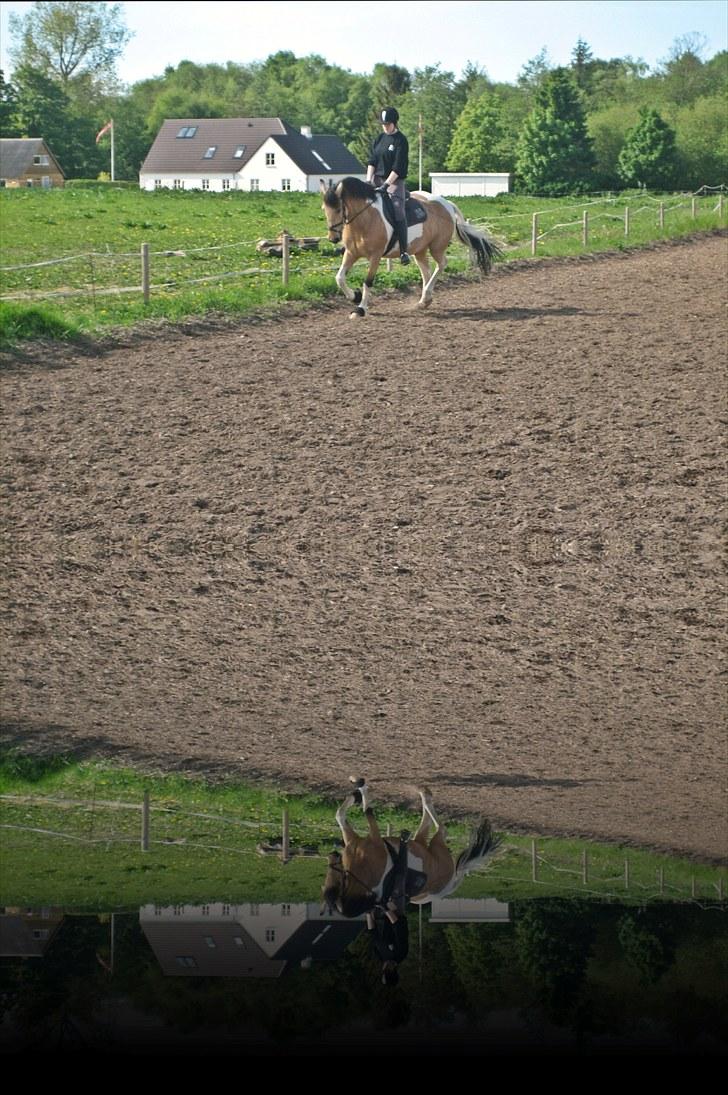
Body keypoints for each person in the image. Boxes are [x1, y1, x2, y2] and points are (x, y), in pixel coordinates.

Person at [366, 107, 411, 265]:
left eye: (387, 124)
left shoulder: (401, 140)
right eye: (383, 124)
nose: (385, 127)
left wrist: (386, 185)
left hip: (394, 182)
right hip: (376, 178)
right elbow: (372, 161)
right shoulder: (379, 138)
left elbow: (398, 167)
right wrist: (368, 180)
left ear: (394, 123)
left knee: (398, 209)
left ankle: (404, 251)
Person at [367, 903, 409, 986]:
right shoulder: (401, 953)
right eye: (385, 971)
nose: (383, 968)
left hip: (378, 914)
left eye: (383, 971)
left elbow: (373, 934)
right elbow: (398, 927)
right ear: (393, 971)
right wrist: (386, 908)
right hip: (394, 911)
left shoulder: (380, 957)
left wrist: (368, 912)